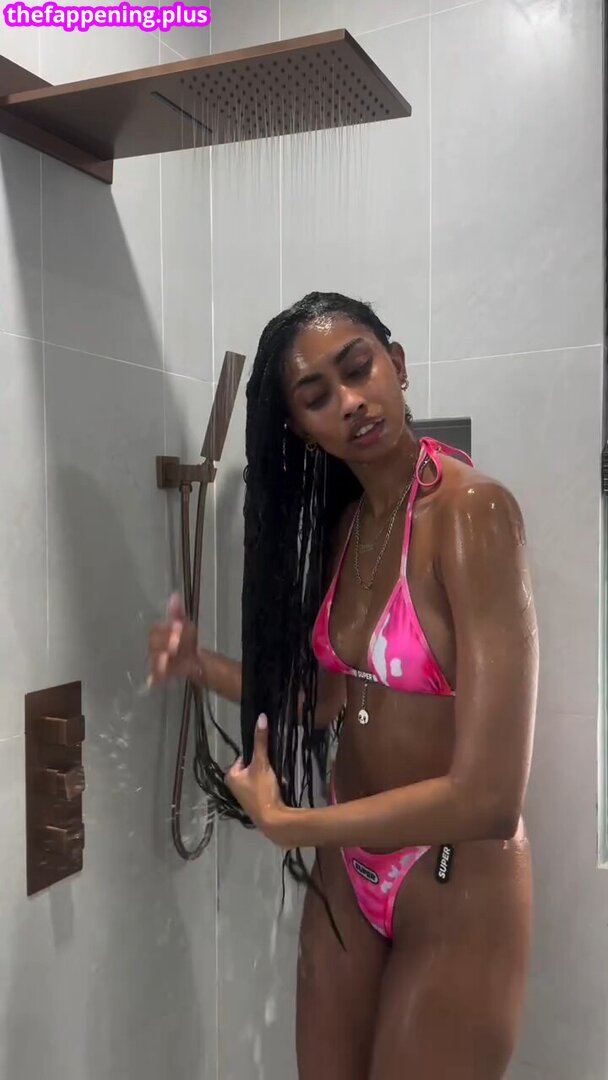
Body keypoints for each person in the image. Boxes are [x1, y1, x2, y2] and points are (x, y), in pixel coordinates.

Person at [148, 292, 538, 1080]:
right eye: (318, 395)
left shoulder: (472, 513)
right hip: (347, 868)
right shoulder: (350, 526)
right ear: (301, 428)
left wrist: (294, 825)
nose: (352, 401)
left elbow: (491, 797)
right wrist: (200, 665)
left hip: (454, 876)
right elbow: (328, 701)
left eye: (359, 369)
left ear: (397, 365)